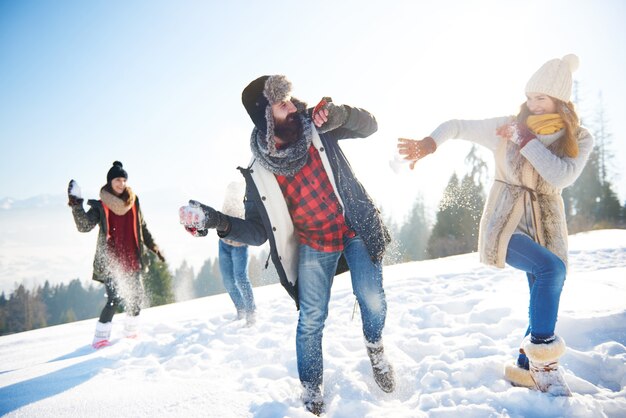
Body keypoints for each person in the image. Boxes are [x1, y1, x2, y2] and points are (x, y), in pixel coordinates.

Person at [179, 75, 394, 415]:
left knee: (372, 298)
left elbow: (370, 126)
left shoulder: (318, 125)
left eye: (291, 99)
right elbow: (256, 232)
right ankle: (311, 388)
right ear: (266, 117)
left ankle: (375, 347)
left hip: (355, 226)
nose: (293, 107)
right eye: (282, 104)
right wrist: (215, 220)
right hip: (314, 242)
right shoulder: (258, 170)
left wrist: (341, 115)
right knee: (310, 318)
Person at [397, 54, 593, 396]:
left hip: (548, 226)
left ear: (559, 101)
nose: (532, 104)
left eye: (541, 98)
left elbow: (560, 175)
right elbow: (457, 125)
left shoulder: (578, 137)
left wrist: (526, 140)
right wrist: (431, 143)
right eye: (530, 96)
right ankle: (545, 368)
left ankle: (524, 367)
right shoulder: (507, 126)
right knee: (551, 271)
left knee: (543, 286)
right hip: (506, 223)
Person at [68, 161, 165, 348]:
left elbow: (142, 227)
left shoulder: (133, 201)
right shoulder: (100, 205)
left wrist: (154, 246)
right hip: (112, 262)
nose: (121, 184)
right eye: (117, 180)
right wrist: (76, 204)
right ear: (110, 182)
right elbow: (84, 226)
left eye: (123, 180)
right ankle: (100, 339)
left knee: (136, 297)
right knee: (114, 300)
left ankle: (131, 334)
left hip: (133, 258)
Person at [218, 181, 257, 326]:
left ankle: (251, 312)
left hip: (240, 244)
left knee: (240, 277)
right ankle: (240, 309)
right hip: (224, 243)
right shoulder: (231, 189)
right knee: (228, 280)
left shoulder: (247, 198)